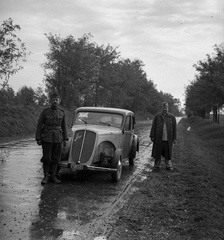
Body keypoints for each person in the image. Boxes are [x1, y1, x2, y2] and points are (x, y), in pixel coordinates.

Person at [36, 93, 68, 184]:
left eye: (56, 100)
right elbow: (39, 125)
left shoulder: (62, 112)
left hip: (58, 138)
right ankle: (46, 176)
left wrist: (65, 139)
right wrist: (38, 138)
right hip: (47, 138)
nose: (55, 101)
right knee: (46, 158)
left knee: (56, 158)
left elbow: (64, 126)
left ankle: (53, 176)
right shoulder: (45, 112)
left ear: (59, 101)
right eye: (53, 99)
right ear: (50, 101)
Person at [150, 102, 177, 171]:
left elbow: (174, 128)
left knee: (168, 153)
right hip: (159, 138)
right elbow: (153, 126)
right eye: (163, 107)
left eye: (166, 107)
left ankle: (169, 166)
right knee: (157, 153)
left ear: (168, 108)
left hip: (168, 139)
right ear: (161, 108)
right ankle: (156, 166)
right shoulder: (157, 116)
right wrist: (152, 136)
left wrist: (174, 138)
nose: (165, 109)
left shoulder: (172, 117)